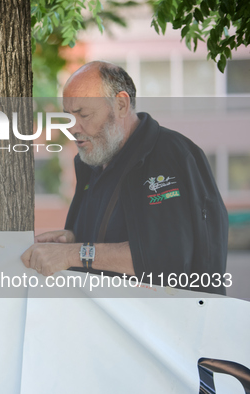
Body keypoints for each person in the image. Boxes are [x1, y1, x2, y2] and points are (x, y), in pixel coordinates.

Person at [21, 61, 228, 294]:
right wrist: (72, 240)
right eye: (68, 116)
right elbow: (106, 241)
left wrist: (74, 253)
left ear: (121, 104)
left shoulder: (171, 156)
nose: (73, 127)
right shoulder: (91, 164)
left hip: (172, 325)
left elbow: (169, 259)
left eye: (84, 114)